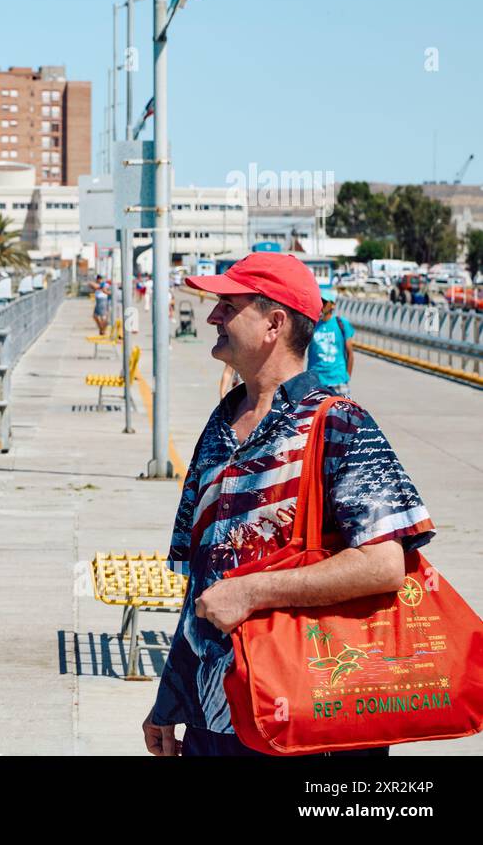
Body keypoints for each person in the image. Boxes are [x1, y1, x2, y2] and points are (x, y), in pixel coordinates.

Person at [141, 252, 434, 756]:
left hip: (308, 718)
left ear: (274, 322)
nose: (212, 316)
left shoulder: (340, 424)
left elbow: (386, 567)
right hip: (217, 718)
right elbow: (205, 585)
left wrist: (253, 592)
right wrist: (172, 697)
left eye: (228, 306)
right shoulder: (220, 426)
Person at [307, 286, 355, 396]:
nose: (321, 306)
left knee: (342, 412)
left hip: (338, 380)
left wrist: (346, 376)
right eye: (319, 302)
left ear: (332, 305)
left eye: (324, 302)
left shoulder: (341, 324)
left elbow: (350, 353)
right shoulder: (312, 325)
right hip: (316, 381)